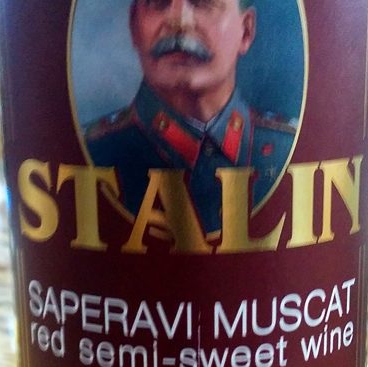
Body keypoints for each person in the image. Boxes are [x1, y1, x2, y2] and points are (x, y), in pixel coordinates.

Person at [84, 0, 297, 233]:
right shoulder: (93, 149)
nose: (179, 21)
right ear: (134, 27)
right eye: (158, 3)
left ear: (246, 31)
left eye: (203, 3)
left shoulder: (288, 147)